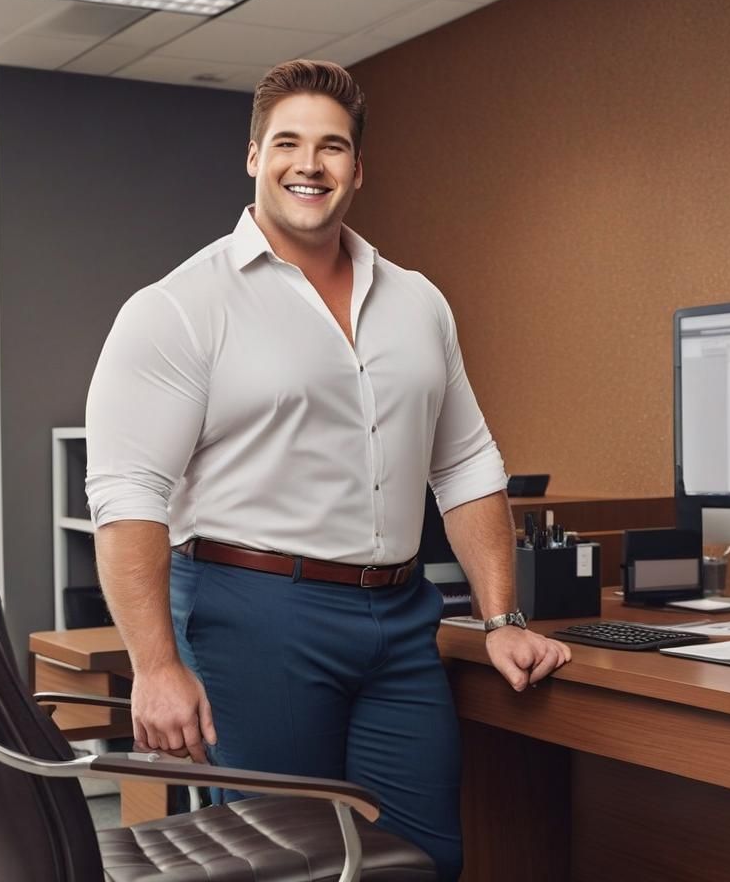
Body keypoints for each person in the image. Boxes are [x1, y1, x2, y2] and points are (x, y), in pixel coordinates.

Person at [84, 59, 571, 879]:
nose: (310, 164)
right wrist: (156, 666)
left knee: (420, 860)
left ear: (358, 168)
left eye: (332, 147)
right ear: (252, 156)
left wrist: (502, 619)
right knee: (282, 864)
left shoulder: (418, 302)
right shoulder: (178, 306)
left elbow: (464, 462)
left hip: (400, 621)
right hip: (253, 619)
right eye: (289, 142)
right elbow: (128, 493)